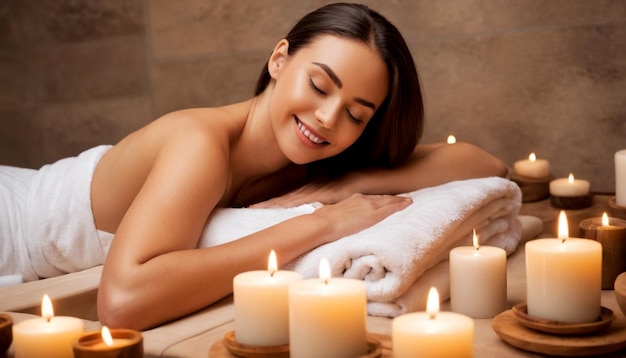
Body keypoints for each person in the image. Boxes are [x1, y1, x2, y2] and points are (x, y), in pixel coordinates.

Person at [0, 3, 507, 330]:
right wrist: (320, 223)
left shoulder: (316, 157)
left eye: (356, 113)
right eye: (318, 85)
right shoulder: (200, 143)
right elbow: (123, 301)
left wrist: (351, 183)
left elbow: (482, 162)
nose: (327, 118)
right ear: (279, 60)